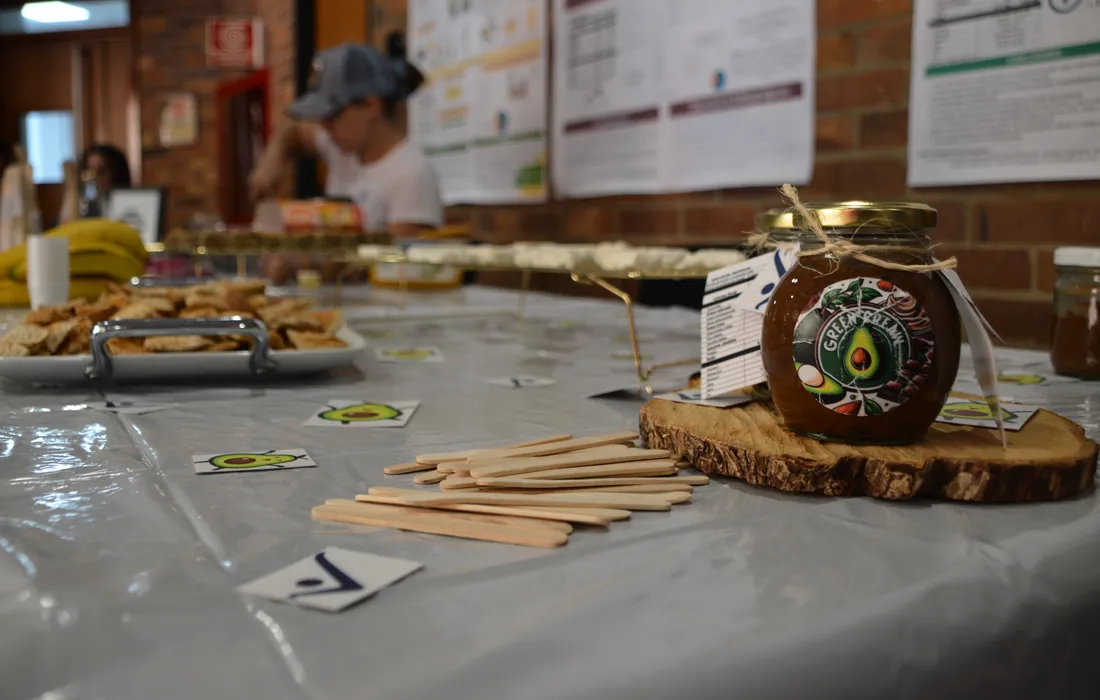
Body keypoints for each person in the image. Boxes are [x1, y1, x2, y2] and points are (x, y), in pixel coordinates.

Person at [249, 37, 442, 283]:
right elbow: (290, 130)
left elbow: (393, 264)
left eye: (332, 116)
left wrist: (300, 260)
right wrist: (271, 163)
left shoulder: (411, 174)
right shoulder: (340, 148)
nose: (323, 127)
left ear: (371, 105)